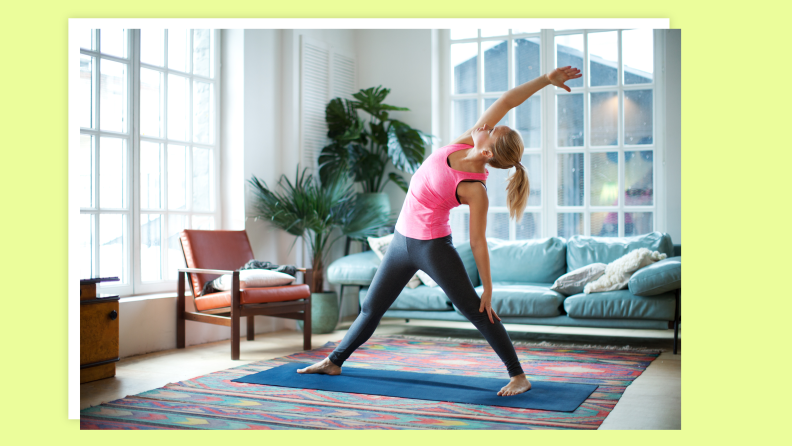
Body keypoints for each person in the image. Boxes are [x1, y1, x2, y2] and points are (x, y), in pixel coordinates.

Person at [297, 66, 583, 397]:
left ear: (488, 152)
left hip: (431, 247)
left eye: (494, 130)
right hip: (401, 241)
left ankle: (518, 375)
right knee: (372, 308)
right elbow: (507, 100)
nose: (489, 125)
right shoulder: (467, 140)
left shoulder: (475, 189)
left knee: (477, 309)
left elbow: (477, 242)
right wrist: (546, 80)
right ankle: (334, 360)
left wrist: (488, 287)